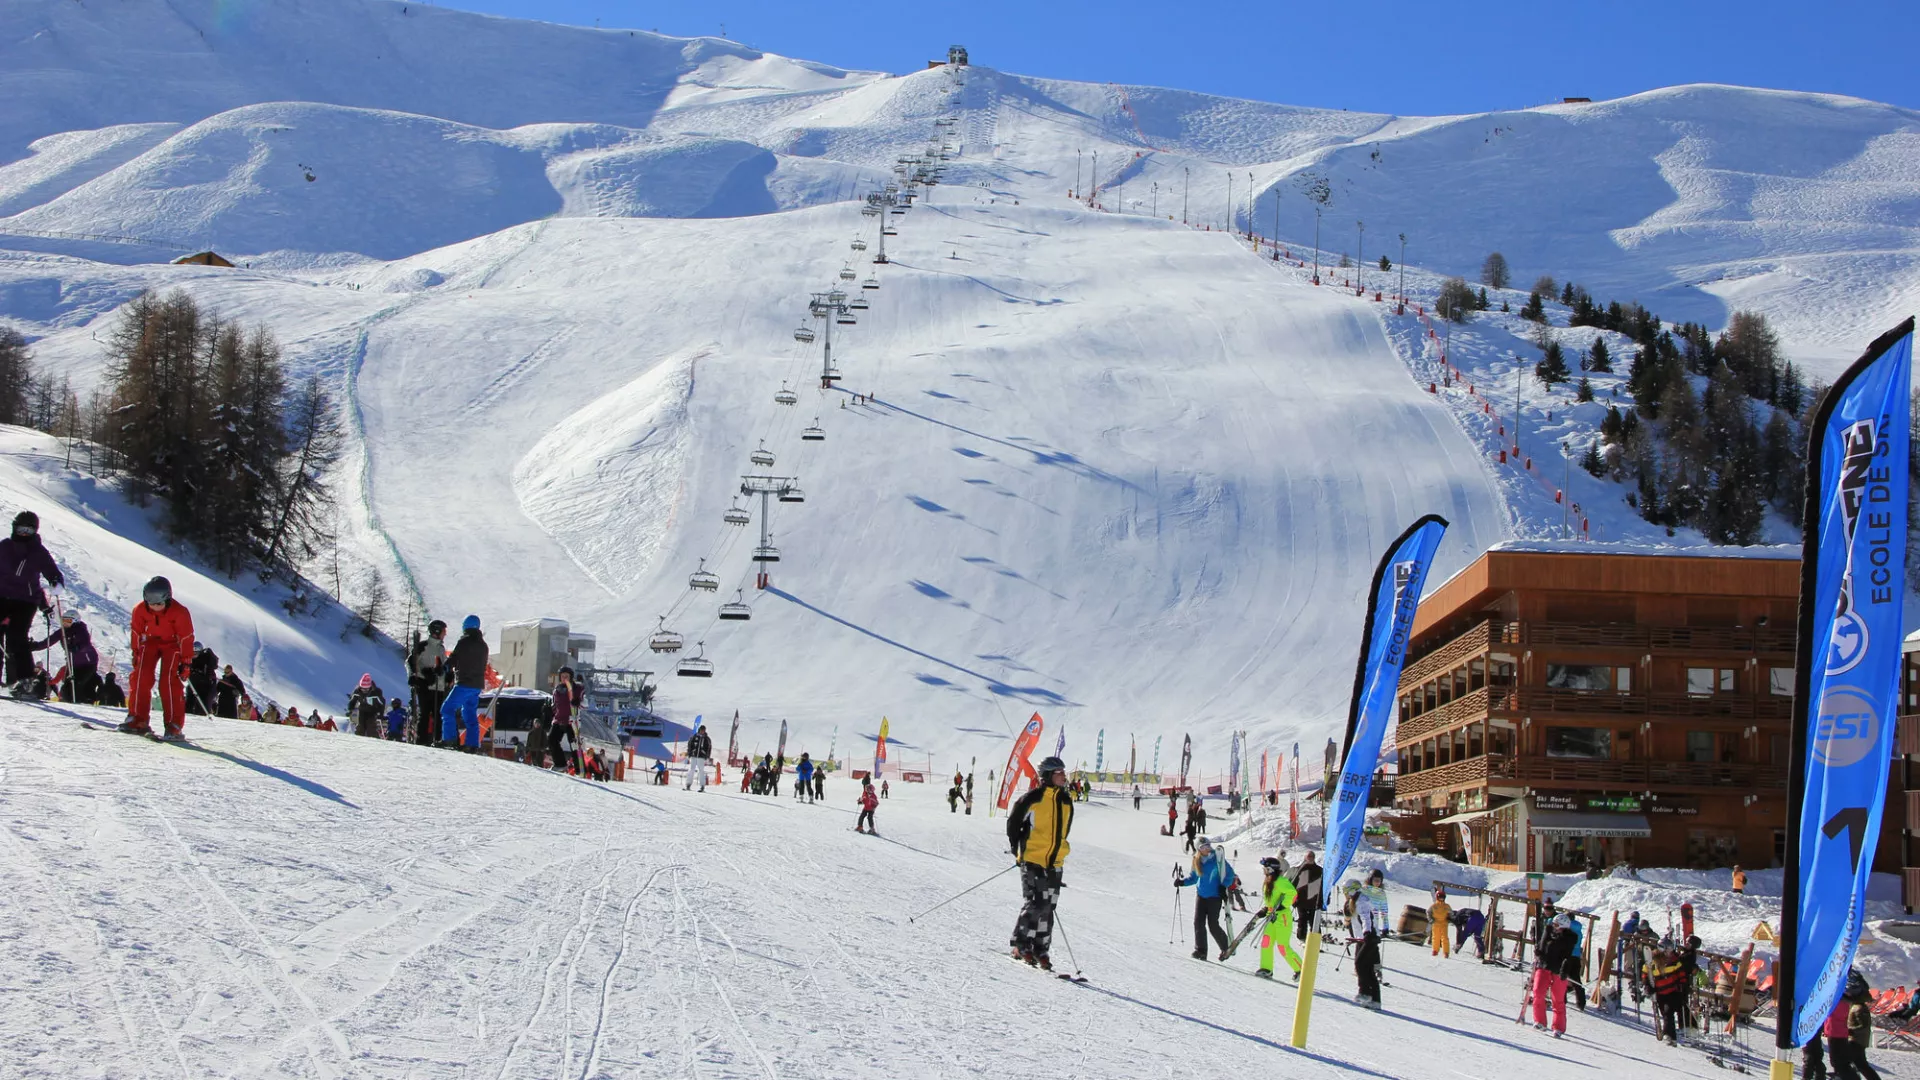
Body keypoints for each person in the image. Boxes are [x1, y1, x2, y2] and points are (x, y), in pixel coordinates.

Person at [1007, 755, 1074, 969]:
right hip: (1033, 859)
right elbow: (1013, 823)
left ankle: (1040, 949)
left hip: (1054, 862)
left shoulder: (1065, 801)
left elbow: (1064, 830)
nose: (1064, 776)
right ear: (1048, 776)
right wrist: (1017, 848)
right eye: (1059, 773)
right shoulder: (1033, 798)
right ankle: (1020, 945)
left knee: (1048, 907)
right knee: (1036, 903)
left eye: (1064, 772)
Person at [119, 576, 192, 739]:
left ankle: (174, 724)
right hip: (150, 642)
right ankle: (138, 718)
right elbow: (136, 632)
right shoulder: (140, 610)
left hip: (172, 644)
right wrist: (136, 652)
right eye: (151, 603)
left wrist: (186, 662)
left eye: (159, 603)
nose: (155, 607)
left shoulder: (180, 612)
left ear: (168, 598)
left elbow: (186, 637)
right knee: (140, 676)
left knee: (168, 681)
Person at [0, 510, 63, 690]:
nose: (23, 533)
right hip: (2, 596)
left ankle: (25, 679)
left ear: (34, 531)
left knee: (16, 636)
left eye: (28, 530)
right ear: (15, 527)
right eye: (21, 529)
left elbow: (51, 569)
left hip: (25, 600)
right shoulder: (4, 546)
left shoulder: (38, 551)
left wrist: (55, 581)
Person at [1176, 836, 1239, 961]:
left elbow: (1230, 874)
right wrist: (1182, 883)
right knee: (1198, 923)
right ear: (1199, 849)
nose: (1207, 849)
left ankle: (1226, 947)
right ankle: (1201, 951)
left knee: (1213, 925)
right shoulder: (1196, 860)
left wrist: (1223, 886)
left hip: (1214, 897)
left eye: (1209, 846)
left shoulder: (1217, 858)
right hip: (1201, 896)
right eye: (1204, 847)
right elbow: (1194, 878)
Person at [439, 615, 487, 751]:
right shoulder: (483, 645)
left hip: (464, 682)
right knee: (470, 713)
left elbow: (454, 658)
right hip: (477, 685)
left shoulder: (464, 641)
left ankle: (450, 740)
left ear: (465, 626)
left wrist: (444, 668)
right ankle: (472, 744)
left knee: (447, 709)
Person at [31, 611, 99, 704]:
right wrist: (34, 646)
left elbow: (85, 643)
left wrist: (77, 648)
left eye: (68, 621)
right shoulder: (62, 632)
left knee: (76, 683)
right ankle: (68, 702)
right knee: (67, 685)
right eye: (64, 620)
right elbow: (49, 641)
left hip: (87, 663)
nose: (65, 623)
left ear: (75, 621)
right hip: (73, 663)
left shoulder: (80, 630)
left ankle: (80, 703)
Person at [1252, 856, 1302, 981]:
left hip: (1282, 917)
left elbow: (1293, 894)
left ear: (1270, 869)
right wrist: (1266, 909)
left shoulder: (1280, 881)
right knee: (1266, 942)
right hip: (1271, 916)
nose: (1263, 870)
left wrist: (1282, 905)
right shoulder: (1268, 881)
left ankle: (1301, 969)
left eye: (1265, 868)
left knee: (1282, 946)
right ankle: (1266, 968)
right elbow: (1270, 900)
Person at [1532, 912, 1578, 1037]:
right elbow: (1542, 947)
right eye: (1553, 924)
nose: (1554, 927)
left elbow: (1568, 956)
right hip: (1544, 966)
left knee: (1558, 999)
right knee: (1538, 992)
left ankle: (1558, 1027)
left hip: (1558, 970)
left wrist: (1565, 968)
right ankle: (1539, 1021)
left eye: (1556, 925)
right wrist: (1539, 952)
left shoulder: (1569, 938)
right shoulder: (1548, 934)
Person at [1346, 878, 1387, 1009]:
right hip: (1362, 938)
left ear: (1352, 891)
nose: (1345, 894)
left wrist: (1367, 933)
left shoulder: (1361, 901)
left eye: (1346, 891)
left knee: (1360, 964)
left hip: (1368, 938)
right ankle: (1375, 1000)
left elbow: (1366, 918)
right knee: (1368, 969)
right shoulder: (1355, 901)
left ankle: (1364, 992)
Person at [409, 620, 450, 745]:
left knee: (438, 715)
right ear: (437, 631)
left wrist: (446, 674)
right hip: (425, 686)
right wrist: (417, 676)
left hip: (439, 687)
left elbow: (443, 666)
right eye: (444, 631)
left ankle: (437, 740)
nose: (445, 634)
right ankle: (421, 740)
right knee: (425, 714)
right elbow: (411, 663)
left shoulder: (441, 648)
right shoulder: (423, 646)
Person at [1837, 968, 1882, 1080]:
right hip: (1856, 1040)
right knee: (1858, 1064)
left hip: (1857, 1041)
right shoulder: (1855, 1005)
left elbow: (1863, 1026)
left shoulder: (1859, 1008)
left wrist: (1849, 1030)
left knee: (1859, 1064)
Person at [547, 667, 582, 772]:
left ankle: (579, 768)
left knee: (574, 744)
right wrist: (549, 710)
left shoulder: (577, 688)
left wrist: (578, 702)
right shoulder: (557, 690)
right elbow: (555, 705)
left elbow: (585, 703)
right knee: (552, 740)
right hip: (559, 719)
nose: (564, 678)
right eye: (562, 676)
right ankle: (560, 763)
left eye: (567, 676)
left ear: (571, 677)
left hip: (572, 720)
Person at [1291, 851, 1324, 941]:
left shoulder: (1320, 870)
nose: (1310, 858)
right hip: (1301, 900)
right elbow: (1292, 886)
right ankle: (1302, 938)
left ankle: (1315, 940)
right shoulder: (1300, 870)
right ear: (1305, 857)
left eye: (1312, 856)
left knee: (1315, 921)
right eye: (1309, 856)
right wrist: (1292, 900)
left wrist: (1325, 899)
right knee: (1302, 920)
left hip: (1315, 901)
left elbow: (1324, 887)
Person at [347, 673, 385, 737]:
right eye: (363, 688)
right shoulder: (357, 691)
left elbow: (382, 703)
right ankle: (358, 740)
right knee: (360, 727)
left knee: (371, 727)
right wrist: (350, 708)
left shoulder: (376, 692)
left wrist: (381, 714)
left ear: (370, 687)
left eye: (366, 689)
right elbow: (353, 700)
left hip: (372, 711)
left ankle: (374, 741)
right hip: (362, 710)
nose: (364, 691)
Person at [186, 642, 218, 716]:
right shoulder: (190, 660)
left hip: (207, 685)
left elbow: (213, 665)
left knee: (203, 706)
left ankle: (204, 718)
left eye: (196, 652)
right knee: (189, 703)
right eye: (193, 652)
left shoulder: (205, 658)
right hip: (195, 684)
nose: (194, 654)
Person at [684, 724, 713, 791]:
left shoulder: (706, 738)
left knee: (701, 771)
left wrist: (707, 756)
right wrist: (689, 752)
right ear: (699, 730)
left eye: (703, 730)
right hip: (694, 755)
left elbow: (709, 747)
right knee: (691, 769)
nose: (702, 731)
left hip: (701, 756)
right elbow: (690, 744)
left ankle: (702, 786)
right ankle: (688, 784)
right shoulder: (694, 736)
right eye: (701, 730)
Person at [1429, 887, 1453, 958]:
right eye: (1440, 897)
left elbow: (1451, 913)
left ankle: (1446, 952)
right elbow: (1428, 912)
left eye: (1443, 898)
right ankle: (1435, 950)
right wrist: (1431, 919)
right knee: (1435, 937)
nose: (1441, 899)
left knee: (1445, 938)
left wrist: (1450, 918)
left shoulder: (1446, 906)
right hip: (1436, 923)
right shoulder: (1434, 906)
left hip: (1444, 924)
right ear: (1437, 897)